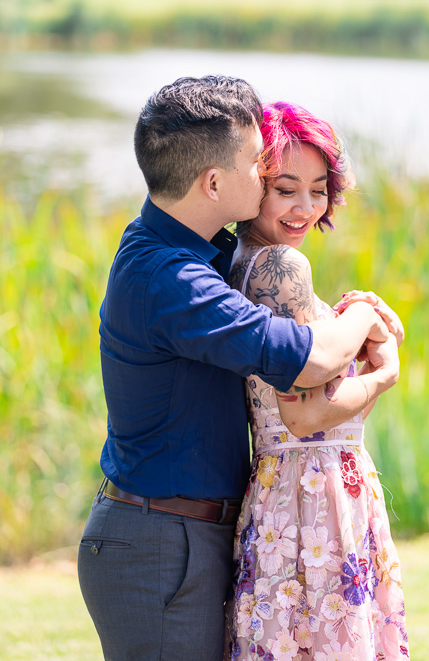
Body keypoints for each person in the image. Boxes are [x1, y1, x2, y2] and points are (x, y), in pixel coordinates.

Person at [77, 76, 400, 661]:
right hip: (159, 541)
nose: (265, 172)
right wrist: (367, 321)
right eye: (260, 165)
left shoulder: (207, 254)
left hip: (188, 531)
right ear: (214, 182)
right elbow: (308, 361)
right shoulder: (171, 278)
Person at [225, 102, 408, 660]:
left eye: (319, 188)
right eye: (286, 188)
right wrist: (383, 373)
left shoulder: (241, 260)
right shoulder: (282, 266)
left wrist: (358, 324)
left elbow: (324, 407)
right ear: (254, 184)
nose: (305, 207)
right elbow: (305, 415)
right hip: (312, 495)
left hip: (293, 487)